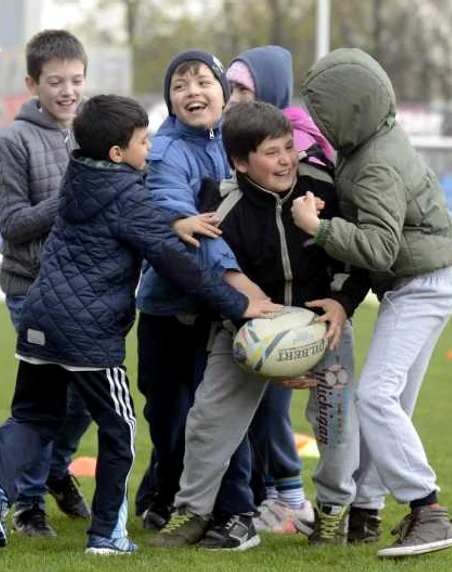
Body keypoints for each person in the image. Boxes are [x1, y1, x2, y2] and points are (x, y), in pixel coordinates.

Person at [0, 94, 280, 555]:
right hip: (88, 335)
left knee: (31, 418)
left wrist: (169, 220)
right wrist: (237, 305)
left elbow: (131, 220)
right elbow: (178, 265)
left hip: (38, 322)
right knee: (120, 432)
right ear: (118, 154)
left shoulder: (76, 175)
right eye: (142, 140)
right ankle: (106, 537)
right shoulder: (131, 198)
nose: (150, 147)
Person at [150, 100, 370, 551]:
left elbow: (358, 253)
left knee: (335, 423)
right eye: (272, 152)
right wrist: (255, 335)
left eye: (288, 148)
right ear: (240, 161)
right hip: (247, 331)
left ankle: (331, 513)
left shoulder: (322, 184)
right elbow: (210, 276)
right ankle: (191, 512)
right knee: (208, 418)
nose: (286, 160)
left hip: (323, 325)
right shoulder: (220, 203)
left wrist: (344, 303)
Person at [291, 48, 452, 559]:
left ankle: (428, 510)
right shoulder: (373, 142)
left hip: (420, 286)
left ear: (346, 108)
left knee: (377, 398)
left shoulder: (376, 163)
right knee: (395, 403)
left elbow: (381, 247)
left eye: (324, 110)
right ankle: (365, 514)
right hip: (424, 282)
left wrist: (317, 228)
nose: (320, 120)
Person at [134, 49, 248, 530]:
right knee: (167, 412)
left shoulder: (240, 143)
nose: (192, 92)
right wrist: (178, 218)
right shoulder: (165, 150)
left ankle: (231, 509)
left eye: (202, 81)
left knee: (221, 413)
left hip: (220, 306)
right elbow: (171, 210)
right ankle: (167, 494)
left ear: (222, 89)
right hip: (168, 305)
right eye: (180, 85)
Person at [0, 29, 92, 538]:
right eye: (56, 81)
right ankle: (29, 505)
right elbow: (13, 224)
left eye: (76, 79)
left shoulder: (91, 132)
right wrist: (71, 194)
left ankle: (55, 468)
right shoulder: (13, 141)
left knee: (89, 399)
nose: (68, 91)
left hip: (87, 290)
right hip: (31, 289)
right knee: (45, 398)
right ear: (33, 83)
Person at [226, 44, 324, 534]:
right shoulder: (238, 141)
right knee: (259, 408)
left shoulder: (303, 147)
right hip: (255, 302)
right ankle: (277, 496)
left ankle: (294, 500)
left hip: (296, 309)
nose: (233, 97)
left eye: (244, 88)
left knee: (279, 406)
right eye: (233, 88)